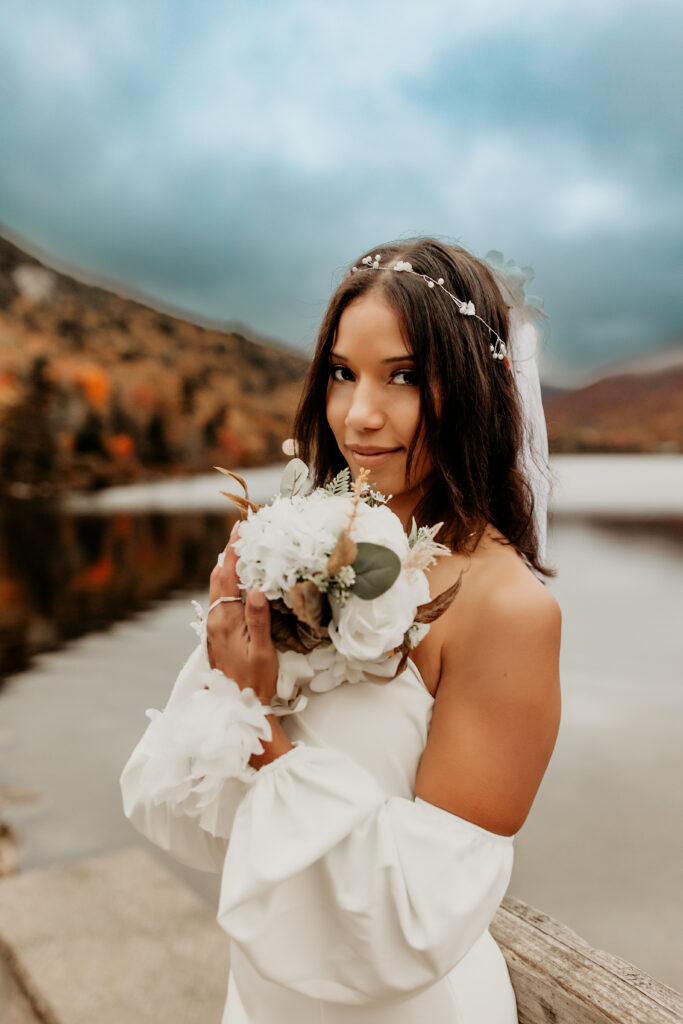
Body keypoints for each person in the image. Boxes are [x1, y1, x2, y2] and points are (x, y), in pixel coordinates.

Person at [120, 237, 562, 1023]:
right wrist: (228, 662)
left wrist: (258, 729)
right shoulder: (309, 549)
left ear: (470, 389)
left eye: (403, 377)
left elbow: (419, 916)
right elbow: (177, 809)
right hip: (265, 996)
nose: (359, 415)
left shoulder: (508, 612)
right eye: (340, 373)